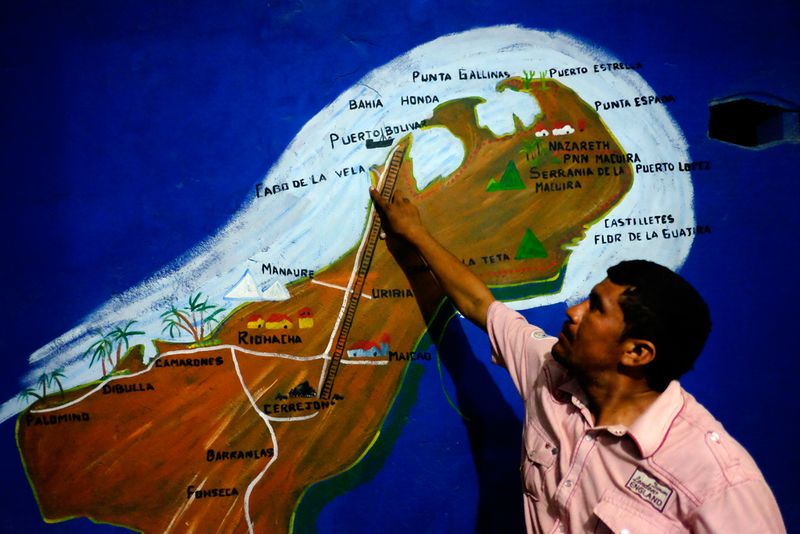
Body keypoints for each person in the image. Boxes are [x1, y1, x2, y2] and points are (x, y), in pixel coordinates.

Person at [369, 186, 785, 533]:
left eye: (596, 309)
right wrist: (415, 234)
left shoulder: (718, 484)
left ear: (637, 353)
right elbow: (482, 305)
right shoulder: (549, 372)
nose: (573, 312)